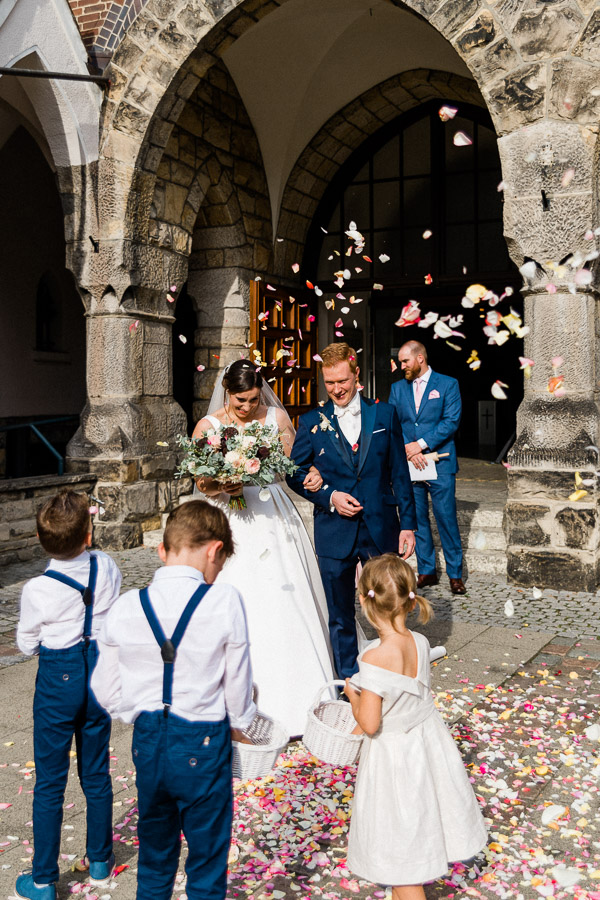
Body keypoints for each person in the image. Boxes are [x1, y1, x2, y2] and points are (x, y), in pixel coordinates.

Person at [91, 500, 256, 900]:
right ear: (215, 550)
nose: (216, 576)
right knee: (206, 859)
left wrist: (134, 711)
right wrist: (244, 717)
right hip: (203, 740)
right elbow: (237, 687)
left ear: (163, 551)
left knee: (155, 853)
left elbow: (104, 688)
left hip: (149, 739)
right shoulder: (224, 601)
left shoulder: (127, 605)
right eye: (219, 565)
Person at [191, 359, 335, 737]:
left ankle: (299, 697)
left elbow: (293, 467)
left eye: (253, 399)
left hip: (272, 514)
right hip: (228, 520)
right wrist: (224, 484)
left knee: (283, 594)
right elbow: (201, 482)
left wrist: (313, 474)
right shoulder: (208, 427)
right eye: (240, 400)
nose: (246, 408)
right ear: (227, 391)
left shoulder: (276, 419)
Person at [343, 554, 487, 898]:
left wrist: (352, 696)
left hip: (395, 760)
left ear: (364, 599)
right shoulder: (421, 644)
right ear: (410, 599)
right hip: (426, 746)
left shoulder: (374, 658)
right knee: (415, 831)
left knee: (403, 855)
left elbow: (371, 723)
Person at [14, 490, 122, 900]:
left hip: (58, 677)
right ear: (89, 534)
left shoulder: (37, 589)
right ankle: (99, 861)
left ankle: (43, 879)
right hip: (98, 672)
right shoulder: (107, 566)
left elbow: (26, 645)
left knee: (49, 782)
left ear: (42, 541)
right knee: (96, 771)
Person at [287, 342, 417, 680]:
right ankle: (348, 682)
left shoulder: (384, 414)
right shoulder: (312, 421)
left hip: (380, 523)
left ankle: (398, 670)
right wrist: (329, 496)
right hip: (334, 530)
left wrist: (409, 525)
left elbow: (399, 473)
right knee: (340, 613)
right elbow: (294, 472)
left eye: (342, 381)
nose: (337, 389)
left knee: (392, 604)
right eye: (329, 383)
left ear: (356, 374)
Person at [389, 340, 466, 595]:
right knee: (417, 518)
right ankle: (427, 571)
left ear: (420, 358)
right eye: (401, 362)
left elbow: (451, 421)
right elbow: (393, 423)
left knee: (446, 517)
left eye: (405, 361)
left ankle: (455, 574)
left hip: (440, 462)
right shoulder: (397, 389)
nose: (402, 367)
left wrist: (420, 445)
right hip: (411, 463)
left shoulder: (448, 384)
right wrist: (408, 450)